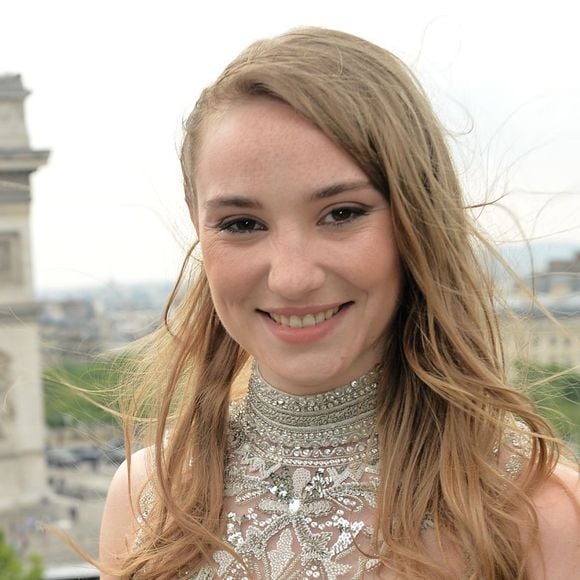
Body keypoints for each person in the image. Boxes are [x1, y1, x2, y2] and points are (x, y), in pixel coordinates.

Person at [98, 27, 580, 579]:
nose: (293, 278)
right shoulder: (144, 498)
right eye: (241, 224)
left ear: (418, 218)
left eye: (342, 214)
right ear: (197, 232)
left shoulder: (541, 517)